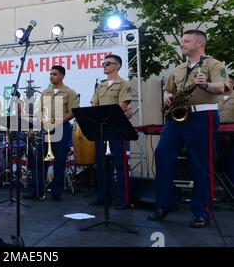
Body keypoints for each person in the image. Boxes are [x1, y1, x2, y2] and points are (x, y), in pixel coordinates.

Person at [148, 30, 230, 228]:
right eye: (182, 41)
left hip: (203, 116)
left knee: (201, 163)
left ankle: (202, 213)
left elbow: (223, 88)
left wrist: (206, 85)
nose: (182, 44)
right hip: (178, 116)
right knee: (162, 154)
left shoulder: (214, 64)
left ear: (200, 43)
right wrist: (167, 95)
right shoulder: (178, 69)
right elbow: (169, 89)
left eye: (186, 41)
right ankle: (164, 204)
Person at [24, 65, 78, 201]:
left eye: (54, 74)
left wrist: (57, 122)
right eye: (50, 74)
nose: (51, 76)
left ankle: (56, 192)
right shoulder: (46, 92)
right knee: (40, 161)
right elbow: (40, 110)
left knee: (59, 161)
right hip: (45, 129)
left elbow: (72, 112)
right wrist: (43, 120)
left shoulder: (69, 92)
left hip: (62, 128)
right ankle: (37, 191)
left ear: (61, 76)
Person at [89, 54, 133, 210]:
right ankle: (103, 197)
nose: (104, 66)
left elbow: (122, 105)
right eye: (104, 63)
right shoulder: (100, 86)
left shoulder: (124, 84)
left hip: (117, 128)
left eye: (108, 63)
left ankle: (123, 199)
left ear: (117, 66)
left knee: (120, 165)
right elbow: (94, 105)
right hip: (102, 129)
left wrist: (105, 116)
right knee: (102, 165)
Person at [217, 75, 234, 184]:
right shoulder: (213, 98)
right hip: (215, 136)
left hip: (232, 137)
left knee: (231, 165)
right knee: (216, 164)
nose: (227, 83)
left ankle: (231, 193)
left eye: (230, 82)